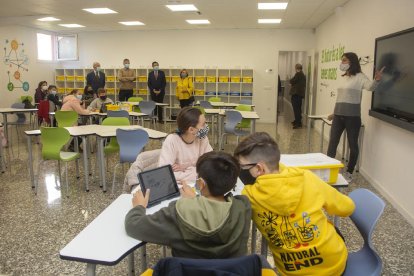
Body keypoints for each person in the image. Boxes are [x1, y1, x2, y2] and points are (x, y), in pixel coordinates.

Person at [234, 132, 356, 276]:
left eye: (242, 167)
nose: (240, 171)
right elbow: (347, 208)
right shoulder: (306, 177)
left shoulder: (249, 195)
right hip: (334, 265)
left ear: (260, 169)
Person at [124, 151, 252, 258]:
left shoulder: (178, 211)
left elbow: (133, 226)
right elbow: (215, 212)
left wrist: (139, 207)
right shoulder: (243, 208)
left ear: (200, 184)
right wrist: (196, 199)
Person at [327, 52, 383, 182]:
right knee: (332, 143)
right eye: (342, 60)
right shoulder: (344, 77)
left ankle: (349, 171)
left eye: (345, 60)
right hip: (338, 116)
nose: (342, 63)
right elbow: (340, 97)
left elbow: (370, 87)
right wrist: (334, 113)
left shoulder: (360, 77)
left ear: (352, 62)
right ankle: (328, 168)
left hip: (352, 117)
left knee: (353, 145)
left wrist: (377, 80)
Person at [158, 107, 212, 182]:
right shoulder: (172, 140)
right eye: (203, 124)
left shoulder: (202, 138)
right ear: (191, 130)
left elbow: (211, 166)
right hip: (180, 187)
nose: (206, 126)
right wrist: (197, 172)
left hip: (196, 185)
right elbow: (165, 174)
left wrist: (185, 168)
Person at [289, 64, 306, 129]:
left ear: (296, 68)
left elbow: (292, 80)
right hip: (299, 94)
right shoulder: (302, 74)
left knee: (296, 109)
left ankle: (298, 123)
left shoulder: (298, 74)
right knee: (298, 109)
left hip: (296, 94)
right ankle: (297, 121)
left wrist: (291, 82)